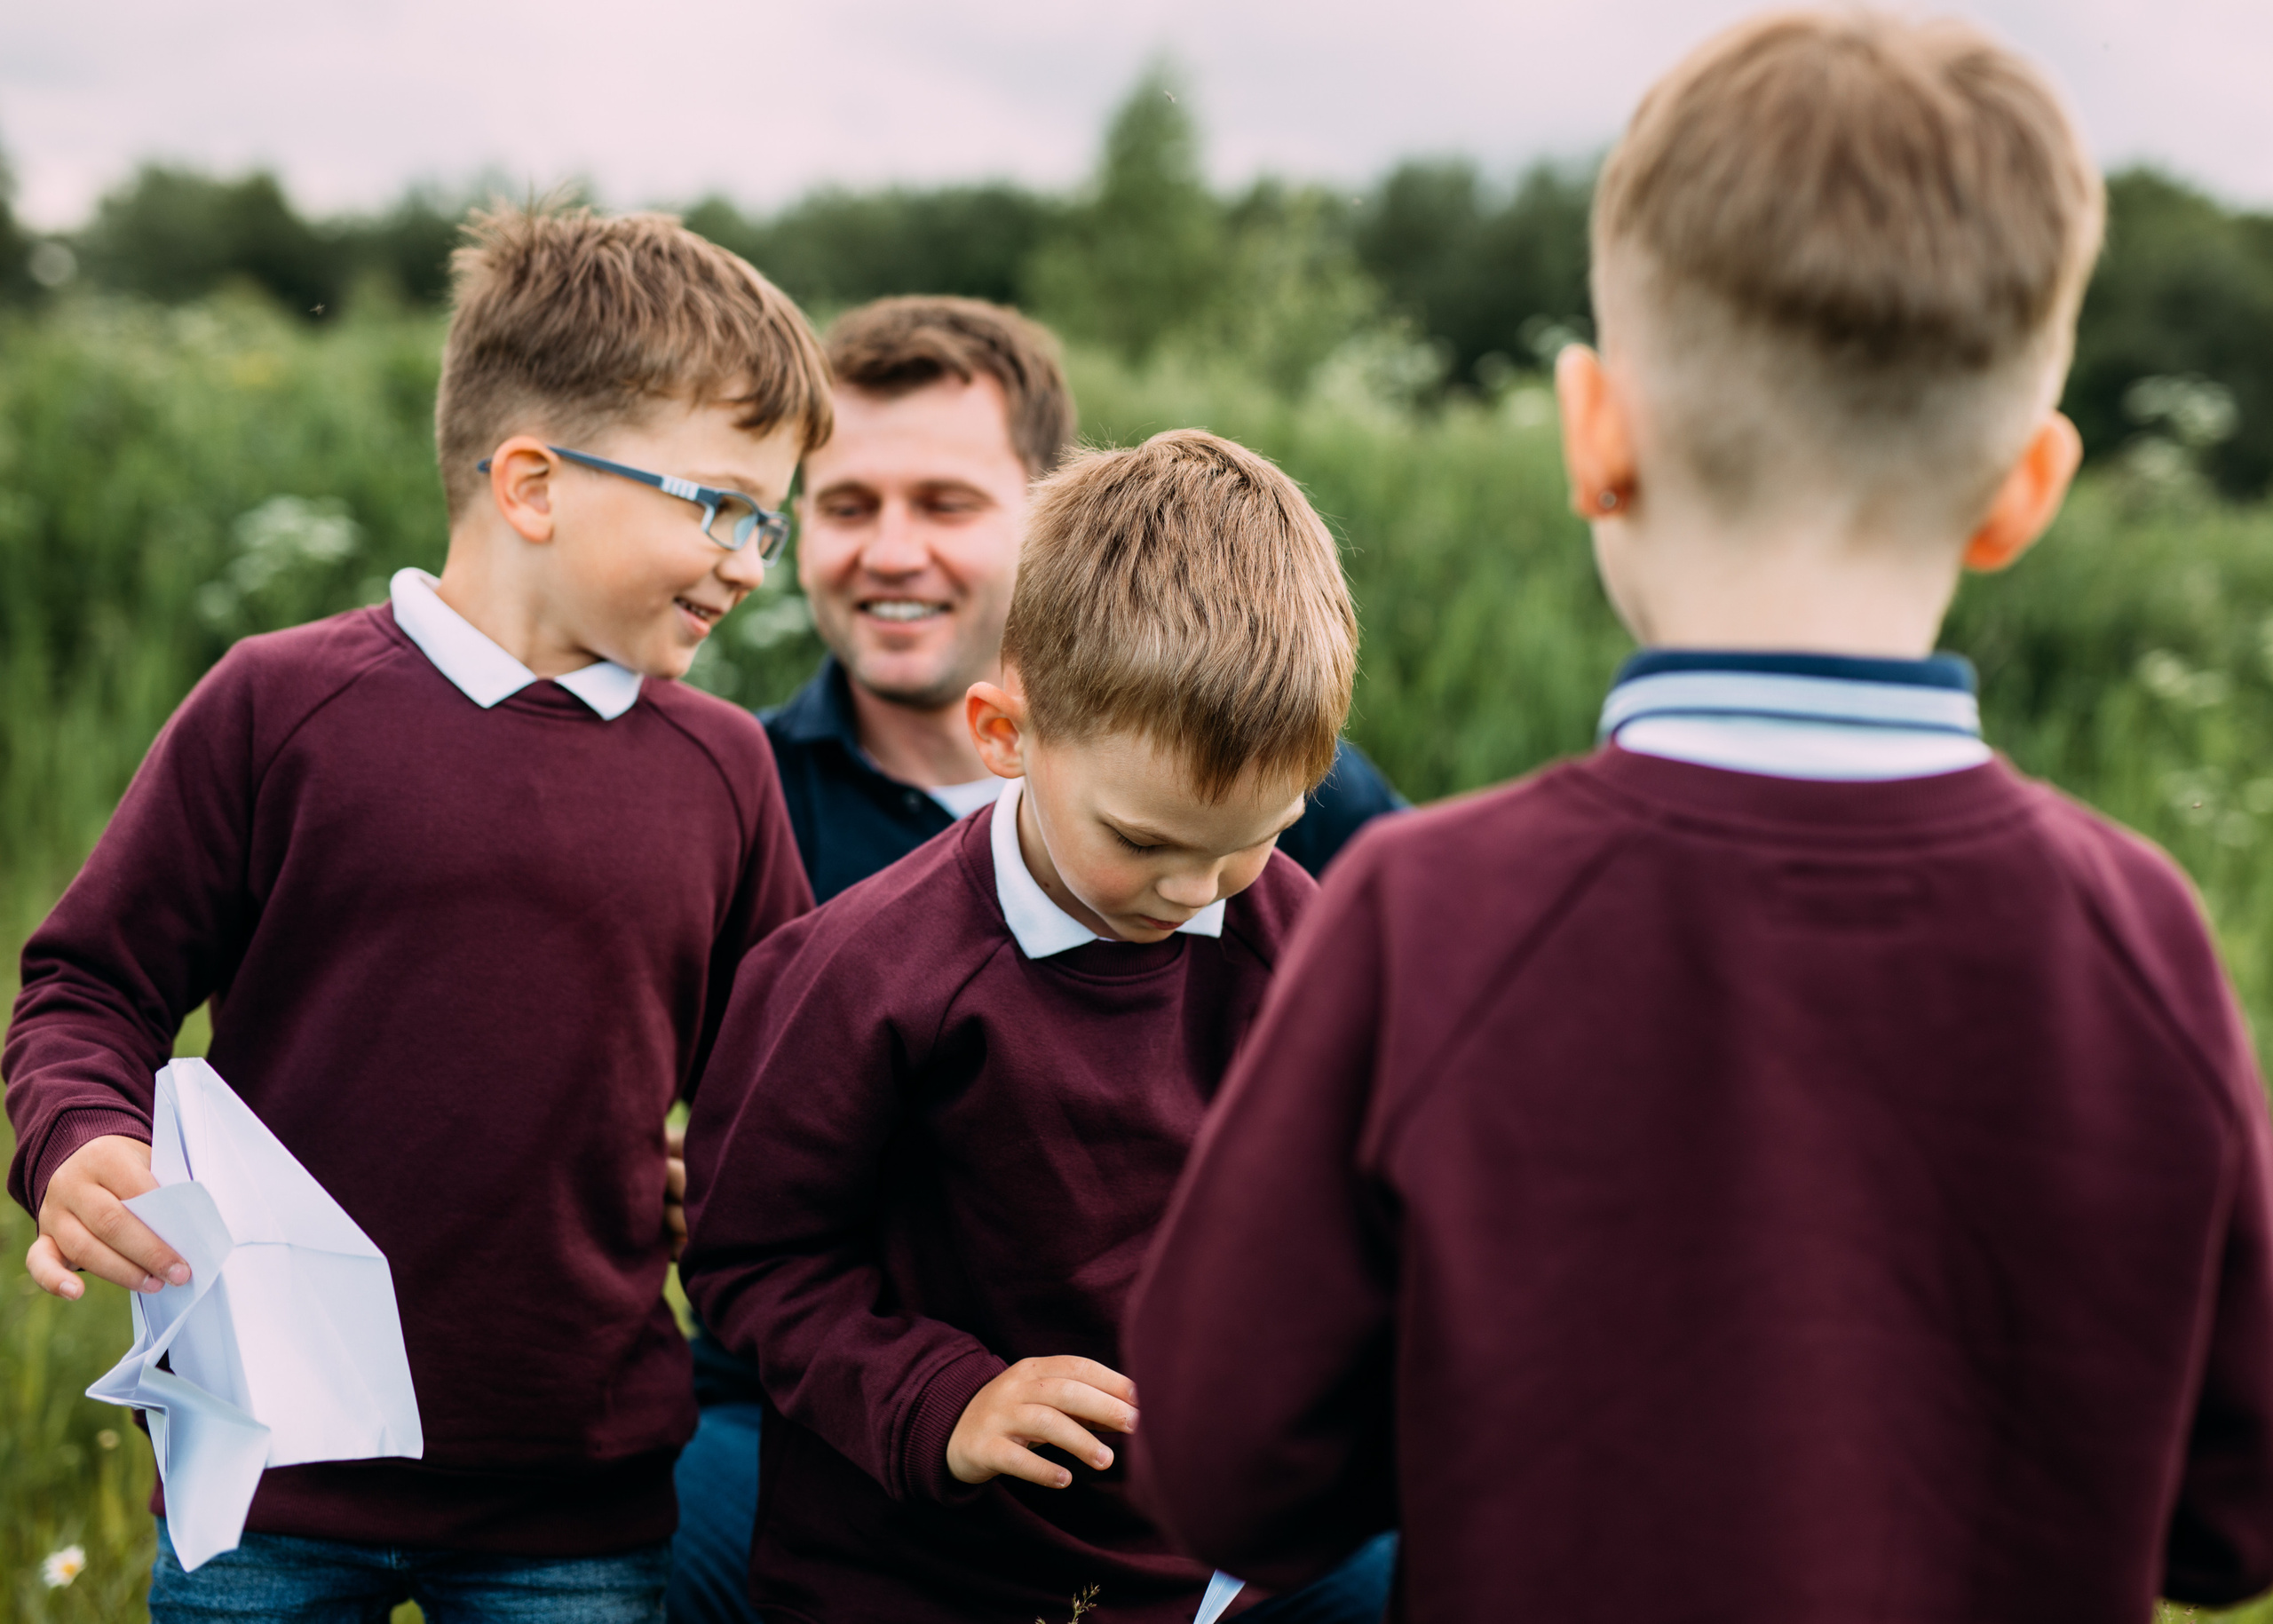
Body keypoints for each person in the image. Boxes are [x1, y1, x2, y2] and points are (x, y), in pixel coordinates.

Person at [1124, 13, 2273, 1622]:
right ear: (2031, 485)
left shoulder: (1432, 908)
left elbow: (1228, 1457)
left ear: (1593, 432)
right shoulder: (2140, 930)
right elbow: (2231, 1517)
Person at [4, 205, 827, 1621]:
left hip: (573, 1500)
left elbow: (788, 1090)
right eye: (722, 507)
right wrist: (80, 1137)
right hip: (268, 1477)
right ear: (530, 483)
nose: (756, 562)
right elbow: (92, 986)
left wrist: (727, 1173)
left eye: (773, 520)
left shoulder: (727, 771)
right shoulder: (281, 708)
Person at [668, 295, 1406, 1621]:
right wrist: (937, 1396)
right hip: (900, 1496)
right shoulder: (798, 862)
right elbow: (757, 1250)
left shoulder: (1275, 865)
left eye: (945, 500)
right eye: (849, 504)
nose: (1195, 891)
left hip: (1192, 1495)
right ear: (1006, 734)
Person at [764, 295, 1404, 903]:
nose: (891, 555)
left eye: (947, 506)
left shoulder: (1252, 763)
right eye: (847, 508)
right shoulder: (742, 797)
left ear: (1054, 513)